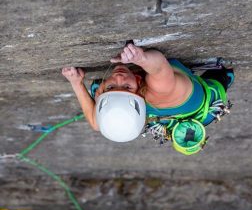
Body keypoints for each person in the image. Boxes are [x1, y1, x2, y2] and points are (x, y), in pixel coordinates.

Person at [62, 43, 234, 144]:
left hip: (164, 114)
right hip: (203, 101)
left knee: (101, 91)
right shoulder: (159, 89)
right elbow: (159, 66)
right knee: (220, 77)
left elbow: (96, 123)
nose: (119, 77)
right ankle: (225, 77)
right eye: (127, 88)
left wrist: (76, 83)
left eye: (111, 88)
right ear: (138, 82)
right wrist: (140, 58)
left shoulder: (124, 112)